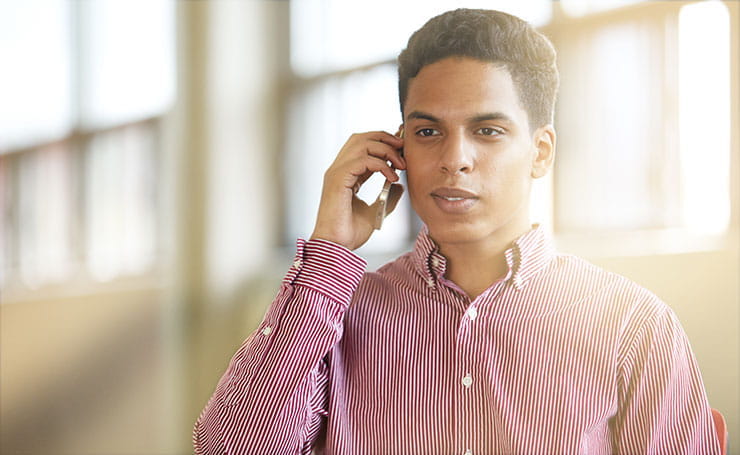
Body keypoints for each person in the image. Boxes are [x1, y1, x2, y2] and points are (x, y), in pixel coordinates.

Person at [193, 9, 719, 455]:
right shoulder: (336, 315)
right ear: (398, 151)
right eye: (427, 132)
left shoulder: (634, 326)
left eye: (487, 131)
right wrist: (329, 251)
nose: (454, 160)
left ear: (540, 152)